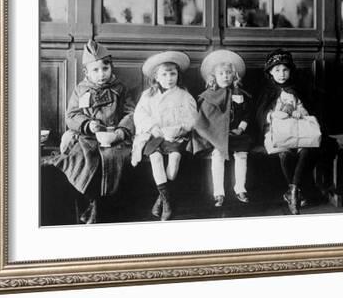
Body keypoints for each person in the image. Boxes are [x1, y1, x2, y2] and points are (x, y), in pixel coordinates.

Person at [44, 40, 135, 224]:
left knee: (111, 160)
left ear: (111, 67)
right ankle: (92, 202)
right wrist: (87, 124)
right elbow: (71, 115)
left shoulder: (120, 88)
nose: (101, 74)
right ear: (86, 72)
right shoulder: (81, 89)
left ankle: (98, 207)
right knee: (79, 159)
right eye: (96, 70)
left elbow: (131, 113)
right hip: (87, 137)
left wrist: (120, 132)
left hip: (113, 137)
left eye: (105, 68)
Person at [131, 51, 197, 221]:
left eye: (172, 74)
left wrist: (180, 129)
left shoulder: (184, 95)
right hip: (154, 136)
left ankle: (160, 198)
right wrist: (152, 127)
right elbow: (139, 115)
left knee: (174, 161)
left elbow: (192, 119)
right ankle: (167, 203)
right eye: (164, 74)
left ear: (178, 76)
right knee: (156, 159)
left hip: (175, 137)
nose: (169, 78)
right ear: (156, 77)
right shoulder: (148, 95)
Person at [255, 49, 315, 215]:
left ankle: (293, 191)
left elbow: (305, 110)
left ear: (290, 71)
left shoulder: (296, 90)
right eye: (277, 70)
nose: (281, 74)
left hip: (297, 131)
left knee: (305, 150)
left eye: (285, 70)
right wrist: (272, 115)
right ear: (270, 72)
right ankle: (294, 191)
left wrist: (300, 113)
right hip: (276, 133)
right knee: (284, 154)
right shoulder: (267, 91)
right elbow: (260, 115)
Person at [194, 49, 252, 207]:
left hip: (237, 134)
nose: (225, 76)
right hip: (217, 136)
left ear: (234, 75)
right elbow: (205, 120)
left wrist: (240, 128)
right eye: (221, 73)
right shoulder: (209, 96)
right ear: (214, 76)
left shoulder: (240, 94)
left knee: (241, 154)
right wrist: (216, 134)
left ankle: (240, 188)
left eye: (228, 73)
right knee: (217, 155)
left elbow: (247, 114)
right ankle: (218, 193)